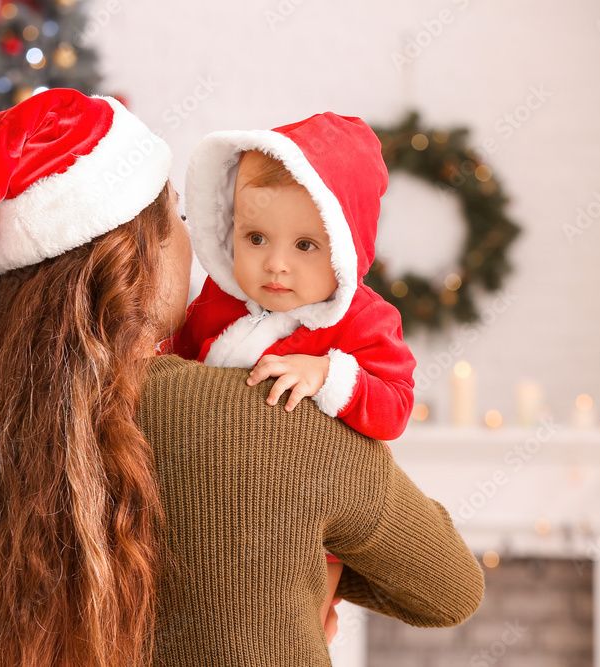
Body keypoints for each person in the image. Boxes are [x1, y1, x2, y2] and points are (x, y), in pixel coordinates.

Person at [0, 88, 484, 667]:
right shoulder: (275, 412)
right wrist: (313, 577)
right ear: (139, 260)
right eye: (179, 219)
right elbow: (450, 588)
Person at [167, 112, 417, 637]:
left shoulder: (362, 320)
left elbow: (395, 404)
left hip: (311, 521)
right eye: (255, 238)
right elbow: (174, 372)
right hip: (211, 500)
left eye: (305, 245)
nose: (276, 265)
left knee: (292, 627)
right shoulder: (215, 304)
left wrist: (330, 375)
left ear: (346, 249)